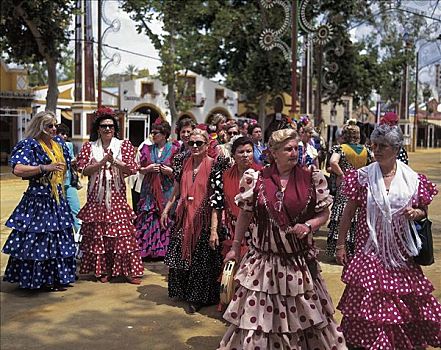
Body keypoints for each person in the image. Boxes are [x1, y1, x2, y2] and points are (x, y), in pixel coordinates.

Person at [218, 129, 346, 349]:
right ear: (273, 153)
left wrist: (309, 225)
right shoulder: (255, 179)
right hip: (263, 264)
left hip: (298, 264)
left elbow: (323, 214)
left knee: (304, 317)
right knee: (257, 319)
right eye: (288, 149)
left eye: (296, 148)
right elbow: (245, 214)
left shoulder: (312, 178)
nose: (294, 153)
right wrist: (236, 246)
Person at [336, 124, 440, 349]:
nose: (377, 150)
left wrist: (416, 213)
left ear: (395, 148)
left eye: (383, 146)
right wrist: (341, 244)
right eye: (374, 145)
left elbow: (424, 211)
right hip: (369, 252)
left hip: (401, 255)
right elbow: (349, 212)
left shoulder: (413, 179)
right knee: (371, 305)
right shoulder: (362, 178)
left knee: (403, 306)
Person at [2, 111, 76, 290]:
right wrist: (44, 167)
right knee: (38, 240)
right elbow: (18, 169)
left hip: (57, 199)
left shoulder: (59, 144)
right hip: (38, 200)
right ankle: (35, 279)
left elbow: (68, 163)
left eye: (55, 125)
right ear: (39, 127)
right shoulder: (30, 144)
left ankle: (55, 278)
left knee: (58, 239)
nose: (53, 129)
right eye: (49, 126)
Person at [76, 107, 143, 284]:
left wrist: (114, 161)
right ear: (98, 128)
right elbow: (84, 170)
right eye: (104, 126)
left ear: (115, 129)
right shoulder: (89, 147)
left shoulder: (123, 145)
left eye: (111, 126)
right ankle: (102, 270)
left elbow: (131, 169)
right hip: (96, 198)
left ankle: (128, 270)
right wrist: (101, 163)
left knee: (122, 233)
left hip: (117, 196)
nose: (108, 129)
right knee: (99, 233)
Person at [162, 128, 225, 314]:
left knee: (201, 260)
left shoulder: (215, 165)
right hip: (184, 216)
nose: (195, 146)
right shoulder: (182, 161)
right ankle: (183, 292)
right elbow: (176, 190)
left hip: (204, 219)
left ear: (207, 145)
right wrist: (167, 208)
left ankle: (198, 298)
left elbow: (217, 200)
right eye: (192, 143)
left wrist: (214, 230)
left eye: (200, 143)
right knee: (181, 254)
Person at [326, 123, 373, 258]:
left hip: (345, 187)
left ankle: (339, 250)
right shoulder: (366, 150)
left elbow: (333, 162)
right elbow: (374, 163)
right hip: (361, 186)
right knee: (358, 217)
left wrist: (342, 175)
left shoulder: (340, 149)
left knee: (342, 215)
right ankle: (355, 251)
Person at [135, 119, 179, 259]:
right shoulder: (146, 149)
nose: (153, 135)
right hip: (149, 189)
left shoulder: (174, 149)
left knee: (165, 215)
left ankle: (163, 250)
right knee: (149, 215)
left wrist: (170, 171)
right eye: (152, 132)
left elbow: (179, 172)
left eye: (156, 133)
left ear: (165, 134)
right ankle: (147, 250)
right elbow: (139, 169)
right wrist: (146, 169)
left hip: (167, 189)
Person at [55, 124, 81, 234]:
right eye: (62, 134)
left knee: (75, 209)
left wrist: (75, 161)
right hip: (56, 184)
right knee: (58, 212)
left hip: (69, 182)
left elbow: (71, 160)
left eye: (66, 134)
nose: (64, 136)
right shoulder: (50, 146)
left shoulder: (69, 145)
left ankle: (79, 235)